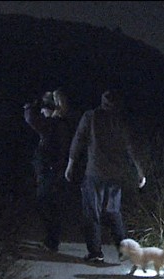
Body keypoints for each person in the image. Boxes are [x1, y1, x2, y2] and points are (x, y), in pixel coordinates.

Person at [65, 89, 146, 263]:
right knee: (113, 211)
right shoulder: (121, 120)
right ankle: (124, 251)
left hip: (95, 172)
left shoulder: (91, 116)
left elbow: (78, 139)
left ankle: (95, 253)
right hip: (115, 174)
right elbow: (132, 147)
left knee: (92, 212)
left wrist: (70, 164)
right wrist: (140, 171)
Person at [24, 88, 77, 251]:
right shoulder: (62, 123)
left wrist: (29, 107)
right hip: (54, 170)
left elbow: (32, 120)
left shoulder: (54, 124)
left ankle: (52, 241)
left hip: (51, 171)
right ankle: (52, 239)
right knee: (51, 205)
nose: (41, 111)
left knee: (45, 204)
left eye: (44, 108)